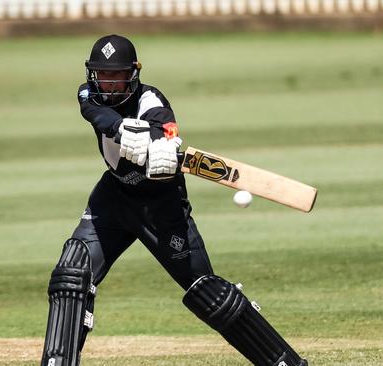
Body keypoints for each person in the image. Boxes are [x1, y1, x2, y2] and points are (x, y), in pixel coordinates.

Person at [40, 34, 308, 366]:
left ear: (132, 74)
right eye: (102, 74)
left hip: (161, 207)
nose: (107, 83)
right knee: (72, 272)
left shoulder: (151, 100)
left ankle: (285, 363)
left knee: (209, 294)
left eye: (116, 75)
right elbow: (97, 115)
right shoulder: (89, 93)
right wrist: (125, 131)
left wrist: (160, 148)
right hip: (114, 197)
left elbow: (165, 128)